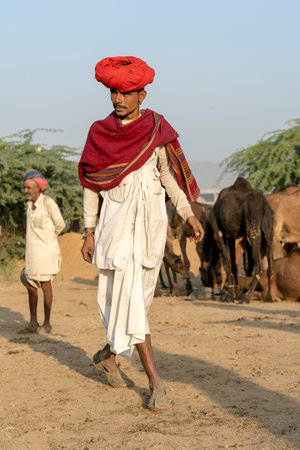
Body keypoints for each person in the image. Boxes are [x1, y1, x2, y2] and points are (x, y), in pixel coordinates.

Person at [79, 56, 204, 410]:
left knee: (137, 306)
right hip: (115, 228)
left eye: (126, 93)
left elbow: (170, 178)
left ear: (143, 95)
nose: (118, 99)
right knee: (132, 304)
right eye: (113, 92)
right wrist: (89, 230)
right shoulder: (99, 133)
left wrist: (188, 214)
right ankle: (156, 384)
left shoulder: (156, 129)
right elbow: (91, 184)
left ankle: (107, 355)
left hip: (151, 228)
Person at [20, 169, 65, 333]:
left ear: (38, 187)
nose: (26, 191)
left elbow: (60, 225)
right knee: (30, 285)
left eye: (29, 188)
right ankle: (33, 322)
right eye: (25, 188)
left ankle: (47, 323)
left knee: (46, 286)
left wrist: (49, 239)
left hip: (46, 253)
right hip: (32, 254)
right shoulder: (29, 206)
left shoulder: (48, 203)